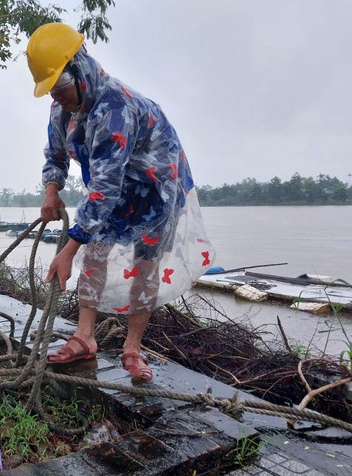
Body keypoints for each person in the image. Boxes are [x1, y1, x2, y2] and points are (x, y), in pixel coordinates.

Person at [26, 22, 215, 382]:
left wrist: (66, 249)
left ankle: (133, 348)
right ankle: (84, 337)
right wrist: (52, 189)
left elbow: (105, 190)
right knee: (94, 254)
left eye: (61, 87)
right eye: (51, 89)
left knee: (145, 266)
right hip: (113, 187)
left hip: (156, 189)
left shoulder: (115, 109)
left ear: (80, 71)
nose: (58, 96)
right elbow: (55, 153)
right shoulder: (62, 107)